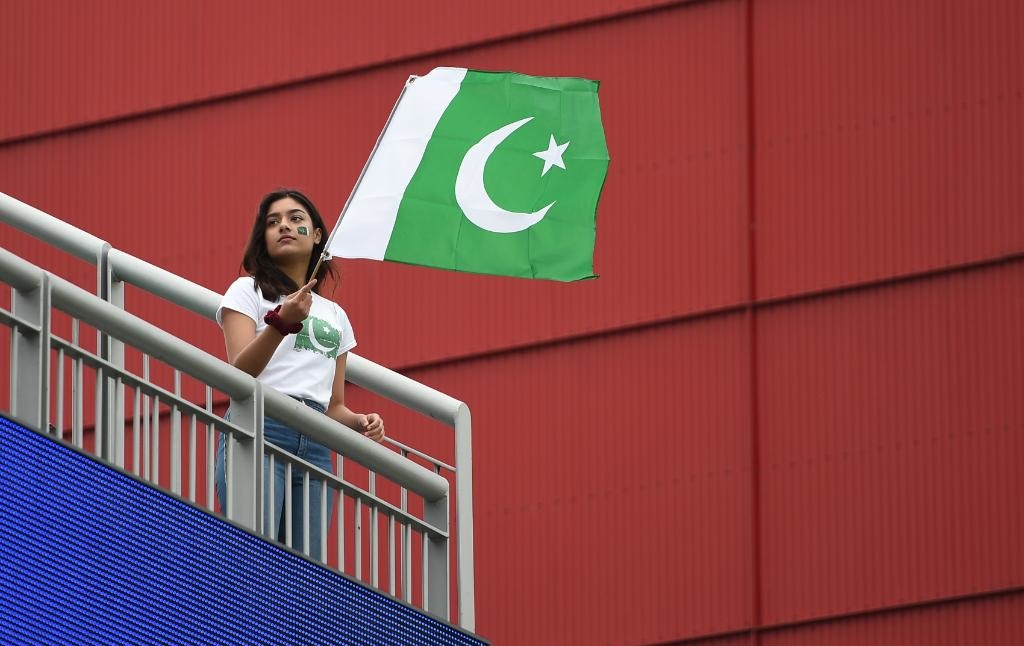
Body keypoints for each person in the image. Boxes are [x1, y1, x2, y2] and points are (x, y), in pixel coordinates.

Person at [214, 188, 384, 559]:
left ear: (317, 235)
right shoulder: (248, 291)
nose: (283, 227)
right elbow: (239, 373)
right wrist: (280, 324)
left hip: (316, 444)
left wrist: (360, 422)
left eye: (295, 219)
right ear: (263, 238)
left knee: (303, 572)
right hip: (260, 428)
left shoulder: (335, 315)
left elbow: (333, 404)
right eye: (272, 222)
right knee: (255, 560)